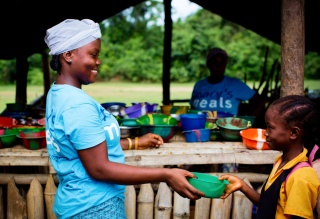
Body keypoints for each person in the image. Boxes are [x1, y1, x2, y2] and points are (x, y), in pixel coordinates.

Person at [44, 19, 204, 219]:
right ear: (68, 55)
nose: (98, 61)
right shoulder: (78, 105)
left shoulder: (58, 93)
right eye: (93, 54)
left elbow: (86, 144)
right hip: (95, 207)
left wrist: (134, 142)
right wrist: (166, 174)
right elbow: (99, 168)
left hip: (77, 202)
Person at [219, 95, 320, 219]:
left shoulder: (301, 177)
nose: (266, 132)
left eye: (270, 127)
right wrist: (242, 186)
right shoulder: (280, 162)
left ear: (294, 133)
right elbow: (268, 205)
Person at [189, 47, 258, 116]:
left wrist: (250, 118)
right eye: (215, 62)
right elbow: (192, 110)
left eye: (222, 63)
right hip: (201, 126)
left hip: (227, 126)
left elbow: (259, 101)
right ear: (208, 64)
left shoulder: (235, 84)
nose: (219, 66)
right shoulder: (199, 85)